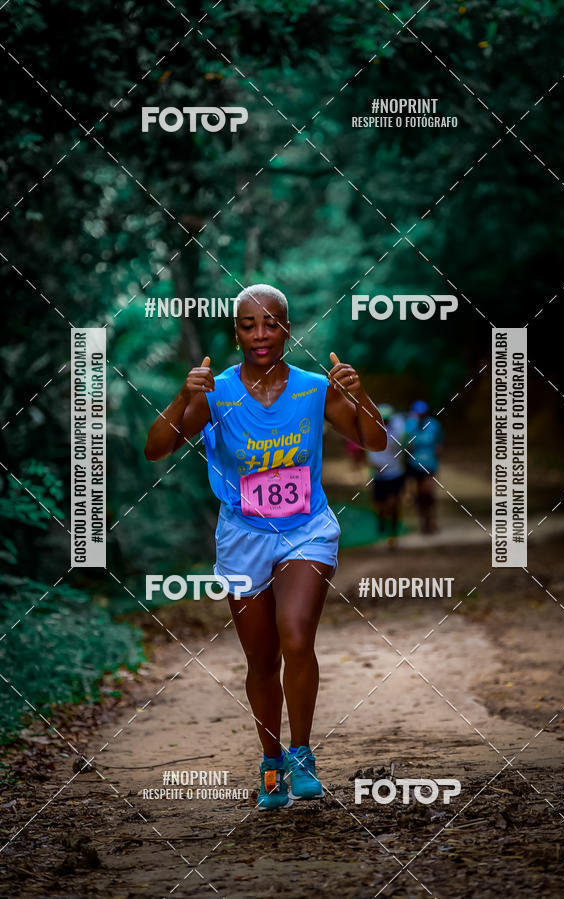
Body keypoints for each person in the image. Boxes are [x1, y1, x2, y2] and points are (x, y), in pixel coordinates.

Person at [144, 283, 385, 810]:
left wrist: (358, 394)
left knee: (296, 637)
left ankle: (302, 755)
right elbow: (155, 449)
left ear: (287, 329)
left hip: (306, 530)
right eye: (248, 325)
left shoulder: (314, 389)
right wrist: (184, 397)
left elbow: (376, 441)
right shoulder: (217, 393)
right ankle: (271, 763)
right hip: (243, 536)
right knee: (261, 657)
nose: (260, 334)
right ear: (236, 334)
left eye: (271, 323)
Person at [367, 404, 407, 549]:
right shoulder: (372, 432)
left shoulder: (398, 431)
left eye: (387, 419)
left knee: (394, 504)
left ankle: (393, 534)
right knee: (380, 506)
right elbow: (369, 454)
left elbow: (404, 444)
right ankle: (382, 522)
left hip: (395, 474)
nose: (385, 422)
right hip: (379, 476)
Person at [404, 400, 443, 535]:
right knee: (420, 495)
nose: (421, 416)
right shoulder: (409, 426)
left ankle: (432, 520)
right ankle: (423, 521)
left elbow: (439, 444)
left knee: (429, 493)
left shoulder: (434, 425)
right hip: (414, 465)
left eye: (423, 414)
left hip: (429, 465)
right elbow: (405, 446)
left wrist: (436, 463)